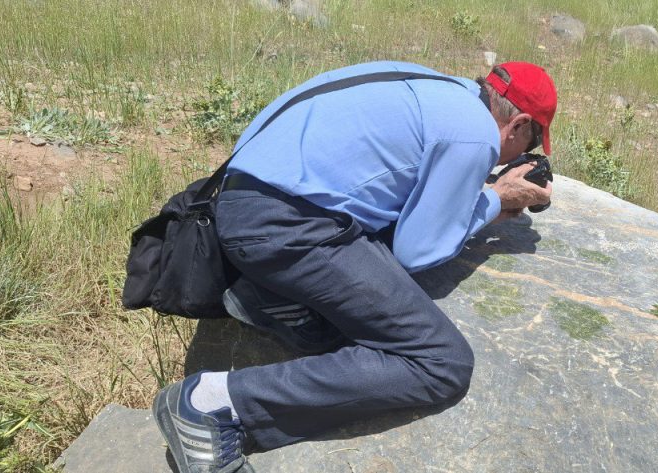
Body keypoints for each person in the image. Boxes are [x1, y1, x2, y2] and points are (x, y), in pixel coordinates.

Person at [151, 60, 556, 472]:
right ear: (519, 123)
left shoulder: (430, 83)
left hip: (240, 204)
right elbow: (417, 251)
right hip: (286, 225)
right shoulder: (474, 132)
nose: (525, 155)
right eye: (531, 143)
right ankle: (212, 404)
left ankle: (269, 293)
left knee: (344, 323)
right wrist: (492, 201)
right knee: (441, 362)